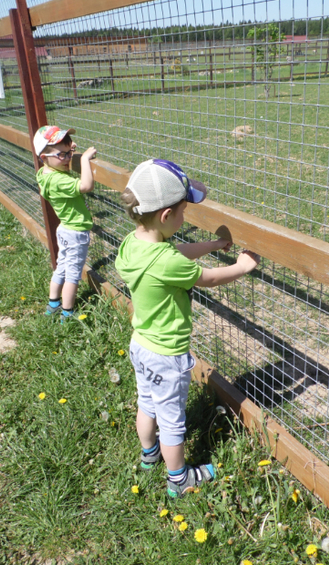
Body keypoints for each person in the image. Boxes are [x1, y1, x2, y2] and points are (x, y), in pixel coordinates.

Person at [115, 159, 260, 498]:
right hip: (167, 356)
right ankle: (179, 479)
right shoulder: (165, 261)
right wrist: (240, 266)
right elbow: (207, 278)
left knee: (146, 404)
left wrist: (211, 246)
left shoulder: (133, 245)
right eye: (182, 213)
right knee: (172, 421)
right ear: (166, 216)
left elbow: (175, 252)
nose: (184, 220)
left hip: (141, 345)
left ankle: (149, 455)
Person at [33, 125, 97, 321]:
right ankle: (67, 313)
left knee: (61, 266)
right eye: (63, 155)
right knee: (73, 274)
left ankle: (53, 304)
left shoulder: (45, 174)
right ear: (44, 157)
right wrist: (84, 159)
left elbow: (58, 159)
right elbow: (86, 185)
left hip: (64, 229)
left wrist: (66, 152)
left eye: (70, 153)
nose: (69, 159)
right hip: (76, 232)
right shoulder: (58, 181)